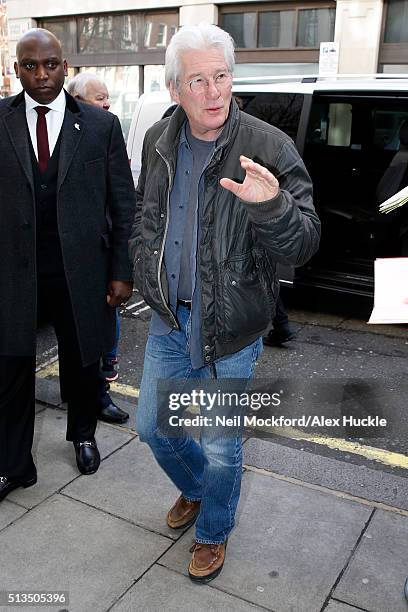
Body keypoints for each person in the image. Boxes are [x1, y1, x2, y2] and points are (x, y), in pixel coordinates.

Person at [129, 23, 320, 582]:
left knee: (220, 445)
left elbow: (306, 242)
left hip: (234, 328)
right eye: (198, 81)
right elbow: (148, 215)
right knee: (153, 428)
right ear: (174, 91)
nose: (214, 92)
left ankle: (213, 530)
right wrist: (144, 265)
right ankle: (196, 491)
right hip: (170, 319)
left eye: (222, 76)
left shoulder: (267, 146)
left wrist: (272, 207)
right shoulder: (158, 141)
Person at [0, 28, 135, 502]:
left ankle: (82, 435)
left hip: (81, 271)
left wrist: (122, 270)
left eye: (51, 64)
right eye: (30, 66)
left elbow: (123, 203)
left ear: (65, 66)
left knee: (82, 362)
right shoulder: (0, 120)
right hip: (14, 274)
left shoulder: (100, 125)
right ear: (17, 69)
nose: (41, 75)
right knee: (11, 367)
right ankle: (14, 465)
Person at [66, 72, 128, 425]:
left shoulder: (108, 130)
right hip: (63, 259)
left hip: (101, 255)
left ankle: (99, 396)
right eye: (98, 98)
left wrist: (122, 268)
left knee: (103, 331)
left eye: (108, 99)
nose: (106, 105)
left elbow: (121, 200)